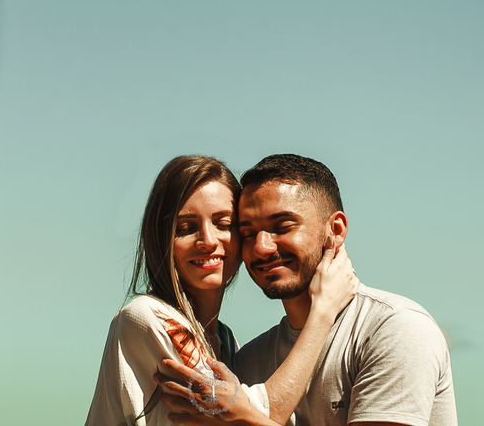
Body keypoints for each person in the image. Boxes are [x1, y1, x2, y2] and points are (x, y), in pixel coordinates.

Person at [157, 154, 457, 426]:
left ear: (335, 230)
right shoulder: (249, 360)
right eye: (247, 233)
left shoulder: (396, 328)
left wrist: (247, 419)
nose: (262, 247)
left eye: (283, 226)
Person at [84, 154, 359, 426]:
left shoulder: (226, 342)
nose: (207, 240)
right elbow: (257, 416)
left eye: (224, 224)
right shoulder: (148, 317)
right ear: (162, 238)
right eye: (186, 228)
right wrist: (322, 313)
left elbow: (244, 417)